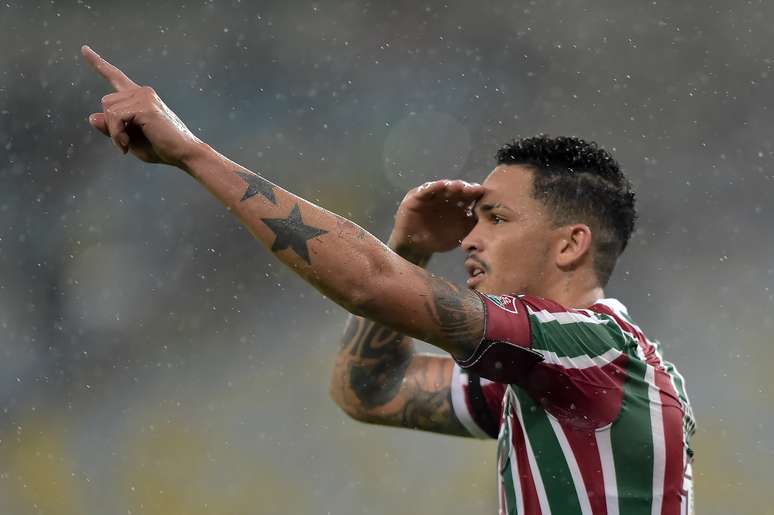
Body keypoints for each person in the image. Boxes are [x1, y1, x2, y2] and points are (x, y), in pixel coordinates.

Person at [81, 45, 695, 515]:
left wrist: (192, 153)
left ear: (570, 245)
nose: (471, 239)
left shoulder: (591, 349)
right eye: (475, 221)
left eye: (498, 219)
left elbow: (369, 284)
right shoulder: (539, 376)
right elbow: (368, 389)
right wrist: (410, 251)